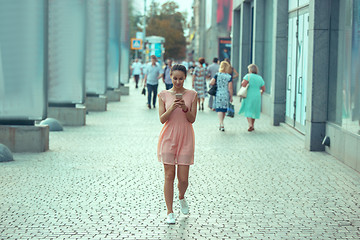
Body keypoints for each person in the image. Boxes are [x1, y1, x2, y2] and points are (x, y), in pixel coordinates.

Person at [157, 64, 197, 224]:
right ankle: (169, 211)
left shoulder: (192, 94)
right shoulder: (164, 95)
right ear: (170, 77)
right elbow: (162, 119)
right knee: (169, 176)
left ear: (185, 78)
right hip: (168, 138)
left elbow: (193, 119)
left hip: (186, 138)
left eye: (181, 78)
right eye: (175, 78)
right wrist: (172, 107)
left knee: (183, 179)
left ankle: (181, 197)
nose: (178, 81)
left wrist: (186, 109)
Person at [238, 64, 265, 131]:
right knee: (254, 110)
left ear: (250, 70)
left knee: (248, 109)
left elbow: (243, 85)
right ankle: (252, 125)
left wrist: (242, 82)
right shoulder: (260, 78)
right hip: (257, 95)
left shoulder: (248, 76)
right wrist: (260, 93)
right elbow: (263, 88)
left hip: (249, 95)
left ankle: (250, 124)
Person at [209, 61, 233, 131]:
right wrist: (231, 97)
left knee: (219, 109)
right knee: (224, 109)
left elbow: (211, 82)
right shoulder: (229, 76)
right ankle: (221, 123)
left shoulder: (217, 75)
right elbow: (230, 88)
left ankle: (221, 123)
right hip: (226, 94)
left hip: (218, 93)